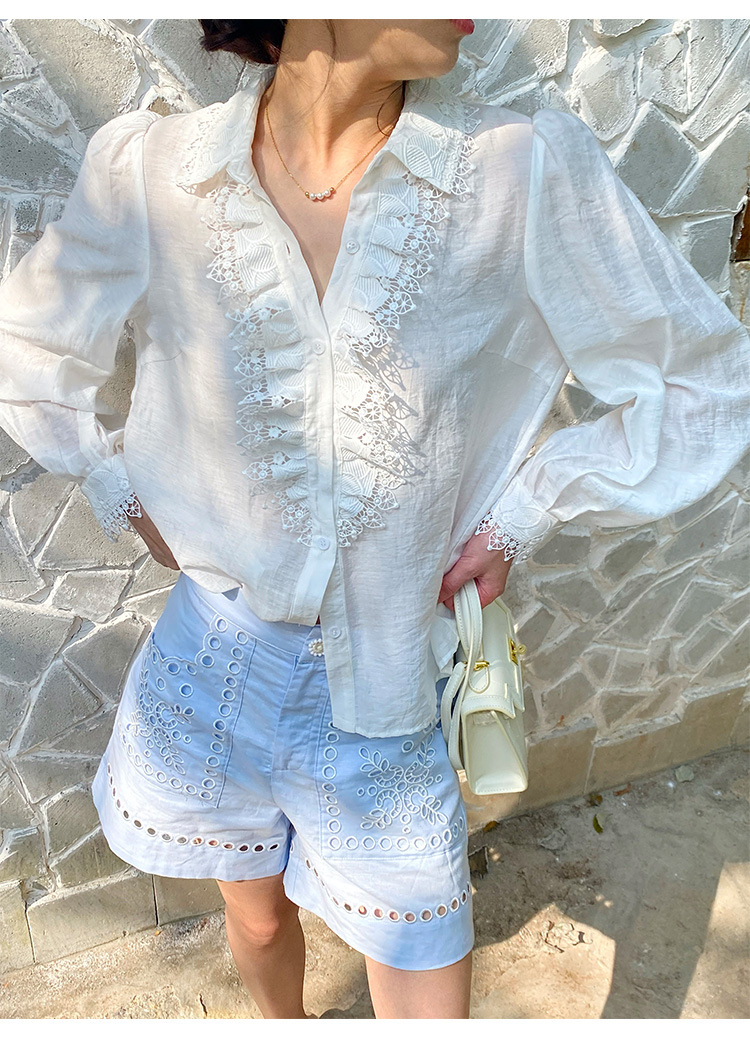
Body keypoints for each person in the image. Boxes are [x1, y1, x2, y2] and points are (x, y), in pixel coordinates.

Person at [0, 18, 749, 1019]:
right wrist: (116, 489)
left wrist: (525, 512)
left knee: (426, 970)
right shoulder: (157, 171)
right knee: (256, 923)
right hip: (209, 667)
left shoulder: (515, 170)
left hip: (384, 691)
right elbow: (29, 347)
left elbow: (702, 380)